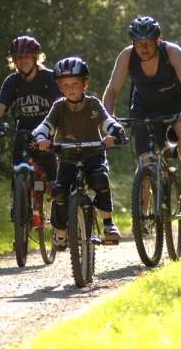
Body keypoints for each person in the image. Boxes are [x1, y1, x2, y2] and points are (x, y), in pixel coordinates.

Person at [102, 16, 181, 206]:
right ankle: (143, 215)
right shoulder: (127, 57)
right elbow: (112, 89)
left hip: (176, 102)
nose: (143, 48)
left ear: (157, 40)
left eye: (148, 43)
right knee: (144, 159)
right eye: (139, 43)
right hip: (144, 106)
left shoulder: (171, 52)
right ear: (133, 43)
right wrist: (108, 119)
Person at [33, 57, 126, 250]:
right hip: (67, 156)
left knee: (99, 179)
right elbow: (46, 126)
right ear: (60, 87)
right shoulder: (59, 106)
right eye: (65, 85)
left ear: (85, 84)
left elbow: (107, 121)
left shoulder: (93, 104)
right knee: (59, 192)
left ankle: (108, 224)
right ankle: (60, 232)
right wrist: (41, 138)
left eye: (75, 83)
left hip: (93, 153)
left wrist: (115, 132)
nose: (71, 88)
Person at [0, 36, 62, 214]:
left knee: (53, 178)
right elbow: (0, 106)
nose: (22, 61)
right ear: (13, 61)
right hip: (24, 133)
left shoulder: (49, 77)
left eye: (26, 56)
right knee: (18, 169)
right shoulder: (12, 81)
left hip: (48, 134)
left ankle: (60, 209)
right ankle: (19, 210)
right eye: (18, 58)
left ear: (35, 57)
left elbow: (60, 104)